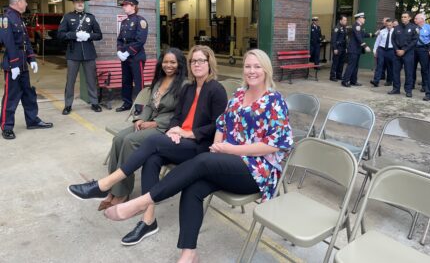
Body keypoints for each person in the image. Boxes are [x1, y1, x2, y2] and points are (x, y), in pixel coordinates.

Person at [68, 49, 293, 263]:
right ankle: (188, 254)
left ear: (266, 70)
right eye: (247, 66)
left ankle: (140, 202)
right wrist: (216, 146)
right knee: (192, 187)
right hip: (223, 160)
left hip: (256, 171)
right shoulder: (238, 95)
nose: (251, 71)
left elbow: (276, 145)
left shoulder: (274, 101)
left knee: (198, 159)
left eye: (257, 67)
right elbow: (222, 124)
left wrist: (226, 149)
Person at [68, 45, 227, 235]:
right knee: (151, 160)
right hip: (179, 140)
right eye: (193, 60)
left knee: (151, 143)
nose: (197, 64)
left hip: (198, 146)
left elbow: (218, 125)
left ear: (210, 63)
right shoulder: (190, 89)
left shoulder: (216, 89)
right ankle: (149, 219)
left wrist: (188, 133)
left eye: (202, 60)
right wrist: (175, 130)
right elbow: (177, 116)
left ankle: (104, 185)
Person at [98, 48, 187, 210]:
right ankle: (113, 188)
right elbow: (149, 105)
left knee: (130, 141)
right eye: (166, 61)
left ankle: (122, 193)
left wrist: (155, 123)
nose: (168, 65)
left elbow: (179, 113)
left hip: (165, 128)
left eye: (173, 62)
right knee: (118, 138)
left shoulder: (184, 85)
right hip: (149, 121)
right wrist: (141, 119)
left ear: (179, 64)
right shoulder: (159, 81)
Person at [0, 0, 52, 140]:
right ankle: (6, 126)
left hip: (23, 63)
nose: (27, 3)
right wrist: (14, 64)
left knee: (28, 94)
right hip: (13, 64)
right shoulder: (6, 18)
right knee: (11, 96)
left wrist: (32, 59)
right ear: (17, 2)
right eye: (25, 1)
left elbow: (26, 42)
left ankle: (32, 120)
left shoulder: (19, 18)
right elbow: (8, 43)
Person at [57, 0, 103, 115]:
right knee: (70, 80)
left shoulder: (90, 17)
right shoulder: (67, 17)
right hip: (73, 53)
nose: (80, 4)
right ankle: (68, 105)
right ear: (73, 3)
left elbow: (99, 35)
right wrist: (74, 35)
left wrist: (88, 35)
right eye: (77, 2)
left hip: (89, 53)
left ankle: (94, 103)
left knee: (91, 79)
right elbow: (60, 35)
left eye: (82, 2)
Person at [116, 0, 148, 115]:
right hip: (125, 57)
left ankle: (140, 107)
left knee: (138, 82)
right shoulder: (124, 22)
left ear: (133, 6)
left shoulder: (141, 21)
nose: (123, 7)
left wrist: (128, 52)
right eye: (123, 5)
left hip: (136, 56)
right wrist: (119, 51)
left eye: (126, 5)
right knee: (126, 80)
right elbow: (120, 39)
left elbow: (141, 40)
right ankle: (127, 103)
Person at [389, 11, 419, 97]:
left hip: (408, 53)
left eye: (405, 17)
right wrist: (397, 49)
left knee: (408, 72)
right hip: (397, 53)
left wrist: (404, 50)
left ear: (410, 18)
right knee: (395, 71)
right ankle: (396, 89)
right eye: (402, 17)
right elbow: (393, 40)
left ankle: (408, 90)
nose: (403, 18)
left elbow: (415, 41)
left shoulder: (414, 28)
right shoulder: (397, 28)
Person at [341, 12, 370, 87]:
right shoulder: (356, 26)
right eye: (363, 18)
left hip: (357, 50)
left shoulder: (359, 26)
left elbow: (364, 34)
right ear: (359, 18)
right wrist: (365, 46)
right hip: (353, 50)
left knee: (355, 66)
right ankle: (345, 81)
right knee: (351, 66)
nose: (364, 20)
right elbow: (359, 38)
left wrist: (374, 34)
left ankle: (353, 81)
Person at [412, 13, 430, 92]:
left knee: (424, 68)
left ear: (422, 19)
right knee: (412, 67)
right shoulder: (413, 27)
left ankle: (425, 85)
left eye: (416, 18)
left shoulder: (429, 28)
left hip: (424, 49)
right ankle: (411, 84)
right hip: (414, 49)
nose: (414, 20)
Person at [370, 18, 394, 87]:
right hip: (381, 49)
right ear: (385, 25)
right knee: (379, 65)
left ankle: (389, 81)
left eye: (390, 25)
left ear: (392, 24)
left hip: (390, 50)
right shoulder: (382, 31)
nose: (388, 26)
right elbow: (377, 41)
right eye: (387, 25)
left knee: (389, 66)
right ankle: (376, 81)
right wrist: (374, 50)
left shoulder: (395, 32)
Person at [329, 15, 347, 81]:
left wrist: (346, 48)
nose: (346, 21)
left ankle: (339, 75)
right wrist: (335, 48)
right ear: (340, 20)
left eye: (346, 20)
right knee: (335, 63)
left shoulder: (344, 28)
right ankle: (332, 76)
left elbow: (345, 39)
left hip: (342, 48)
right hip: (338, 48)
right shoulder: (337, 28)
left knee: (341, 63)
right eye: (344, 20)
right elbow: (334, 39)